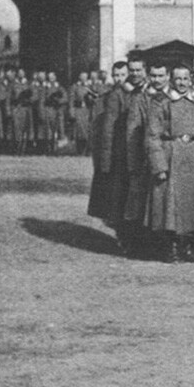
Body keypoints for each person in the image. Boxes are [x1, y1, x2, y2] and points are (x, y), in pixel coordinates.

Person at [145, 65, 194, 264]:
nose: (181, 82)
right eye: (178, 78)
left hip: (193, 155)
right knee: (171, 203)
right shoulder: (160, 103)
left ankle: (189, 247)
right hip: (171, 154)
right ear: (171, 79)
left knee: (193, 202)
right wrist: (158, 165)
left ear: (190, 79)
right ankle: (172, 247)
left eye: (185, 78)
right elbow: (152, 136)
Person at [87, 59, 136, 253]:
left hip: (132, 152)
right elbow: (102, 130)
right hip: (117, 156)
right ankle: (123, 239)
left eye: (122, 75)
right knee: (117, 199)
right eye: (116, 75)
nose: (118, 79)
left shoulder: (136, 94)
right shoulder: (109, 96)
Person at [124, 61, 170, 258]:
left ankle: (167, 244)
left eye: (161, 76)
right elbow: (132, 133)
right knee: (142, 204)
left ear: (167, 76)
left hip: (169, 156)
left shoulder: (175, 97)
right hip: (146, 157)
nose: (157, 80)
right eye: (154, 76)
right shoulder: (141, 99)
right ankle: (143, 246)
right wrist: (134, 163)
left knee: (166, 203)